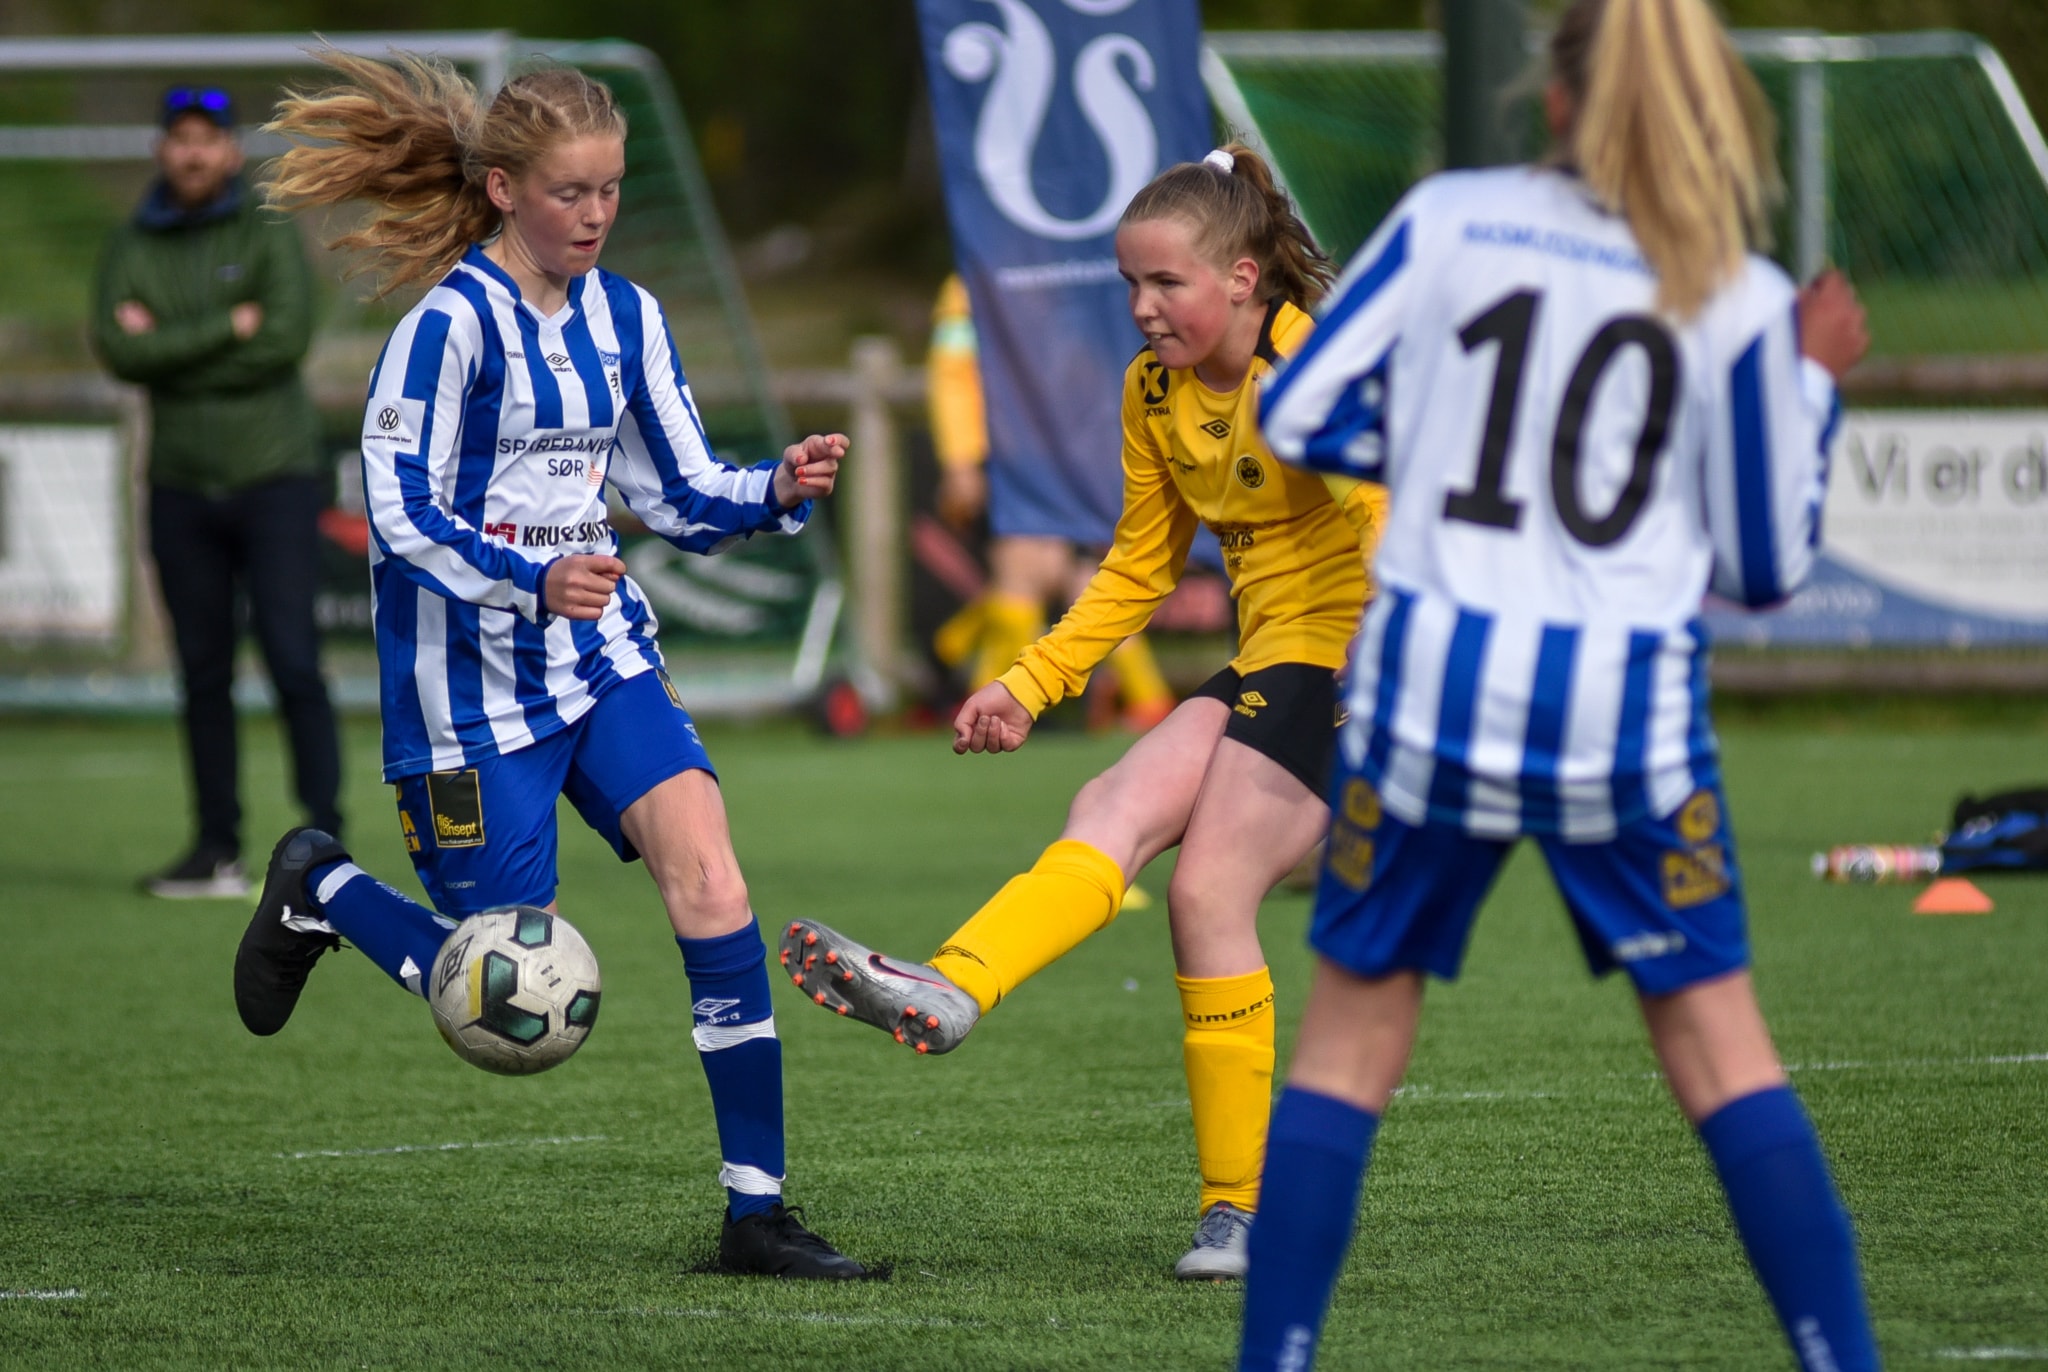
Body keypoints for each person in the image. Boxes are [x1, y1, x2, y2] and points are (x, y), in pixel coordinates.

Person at [1237, 0, 1876, 1366]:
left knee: (1348, 1049)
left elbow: (1297, 410)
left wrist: (1449, 439)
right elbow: (1762, 565)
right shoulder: (1735, 290)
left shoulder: (1453, 220)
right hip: (1619, 712)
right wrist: (1813, 385)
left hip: (1429, 690)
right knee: (1720, 1053)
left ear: (1558, 98)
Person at [230, 52, 866, 1280]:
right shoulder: (444, 328)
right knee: (497, 983)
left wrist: (775, 488)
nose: (596, 214)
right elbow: (397, 513)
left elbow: (676, 490)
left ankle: (756, 1211)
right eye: (571, 192)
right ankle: (322, 884)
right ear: (504, 188)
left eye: (611, 190)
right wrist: (530, 577)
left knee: (712, 883)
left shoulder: (628, 318)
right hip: (462, 693)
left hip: (599, 655)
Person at [780, 147, 1386, 1281]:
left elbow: (1388, 522)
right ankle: (954, 985)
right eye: (1130, 284)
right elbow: (1138, 568)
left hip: (1357, 665)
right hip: (1274, 664)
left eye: (1167, 283)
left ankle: (1241, 1212)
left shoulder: (1311, 367)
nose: (1143, 307)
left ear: (1244, 279)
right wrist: (1027, 682)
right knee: (1108, 800)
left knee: (1207, 893)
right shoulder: (1154, 391)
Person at [93, 85, 344, 899]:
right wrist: (225, 327)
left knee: (293, 659)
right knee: (202, 672)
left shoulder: (267, 227)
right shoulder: (131, 242)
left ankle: (326, 843)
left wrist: (169, 347)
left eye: (207, 138)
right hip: (179, 486)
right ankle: (216, 848)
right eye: (180, 138)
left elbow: (283, 340)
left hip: (275, 478)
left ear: (231, 151)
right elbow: (118, 352)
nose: (193, 152)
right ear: (162, 150)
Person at [925, 273, 1177, 730]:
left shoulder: (994, 277)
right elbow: (956, 371)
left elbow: (956, 371)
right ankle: (1146, 698)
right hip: (1041, 452)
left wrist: (960, 459)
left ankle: (983, 699)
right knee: (1075, 574)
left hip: (1050, 453)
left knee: (1032, 571)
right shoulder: (1009, 272)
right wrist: (962, 459)